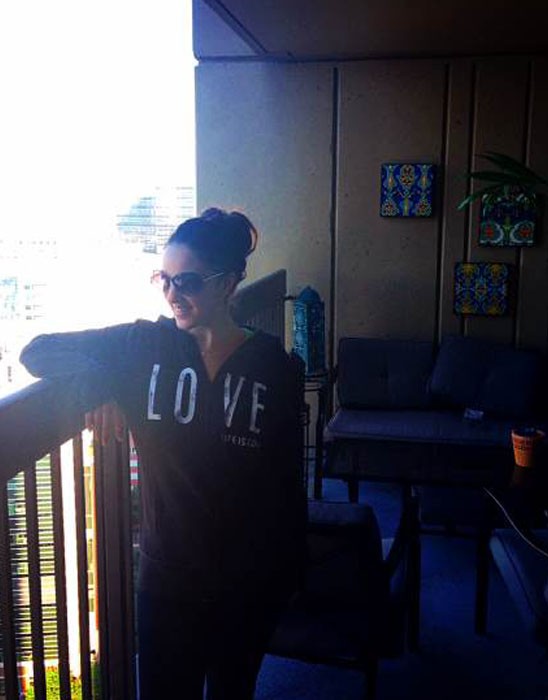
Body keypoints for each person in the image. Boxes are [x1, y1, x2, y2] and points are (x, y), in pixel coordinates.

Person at [20, 208, 307, 700]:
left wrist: (288, 574)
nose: (173, 294)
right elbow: (37, 350)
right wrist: (99, 384)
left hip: (250, 582)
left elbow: (286, 481)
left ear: (228, 283)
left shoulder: (271, 365)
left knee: (233, 693)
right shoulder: (144, 346)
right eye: (164, 280)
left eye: (187, 282)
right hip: (168, 582)